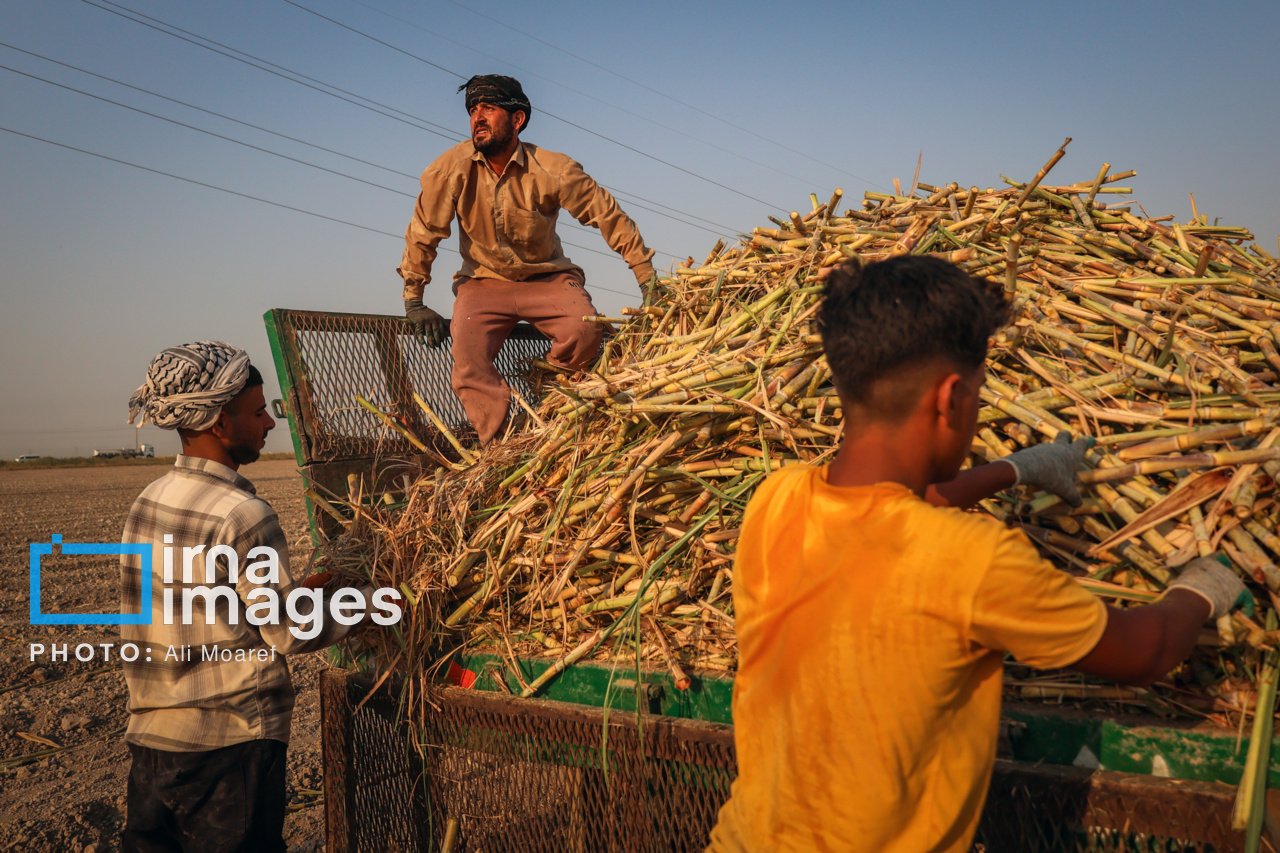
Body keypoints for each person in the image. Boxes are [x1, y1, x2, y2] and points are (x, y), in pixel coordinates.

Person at [704, 257, 1247, 853]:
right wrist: (1202, 586)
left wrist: (1014, 470)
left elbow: (896, 507)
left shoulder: (776, 500)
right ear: (953, 399)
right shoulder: (974, 561)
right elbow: (1145, 653)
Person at [119, 341, 367, 852]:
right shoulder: (242, 513)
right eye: (258, 412)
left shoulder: (148, 500)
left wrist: (300, 592)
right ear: (218, 422)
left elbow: (211, 606)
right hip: (228, 747)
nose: (270, 424)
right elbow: (289, 633)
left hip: (153, 746)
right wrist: (380, 601)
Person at [398, 74, 658, 445]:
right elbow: (423, 232)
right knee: (468, 358)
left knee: (586, 330)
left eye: (489, 108)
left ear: (517, 119)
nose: (477, 118)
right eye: (473, 110)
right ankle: (504, 446)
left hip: (547, 279)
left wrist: (647, 279)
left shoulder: (554, 169)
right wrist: (414, 300)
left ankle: (551, 397)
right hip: (483, 283)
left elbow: (609, 216)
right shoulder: (449, 169)